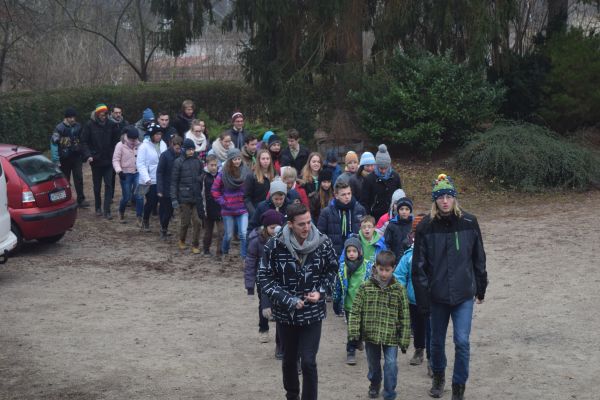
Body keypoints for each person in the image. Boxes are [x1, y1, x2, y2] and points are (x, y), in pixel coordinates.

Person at [412, 174, 488, 400]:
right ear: (435, 200)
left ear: (454, 198)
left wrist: (481, 286)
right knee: (436, 342)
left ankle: (458, 386)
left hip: (464, 293)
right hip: (437, 296)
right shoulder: (425, 226)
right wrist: (423, 300)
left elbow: (479, 257)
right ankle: (438, 376)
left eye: (448, 196)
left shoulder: (469, 222)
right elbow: (419, 267)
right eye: (440, 197)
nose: (445, 201)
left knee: (462, 342)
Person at [258, 203, 339, 400]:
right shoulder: (275, 245)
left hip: (313, 312)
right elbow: (264, 277)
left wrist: (320, 292)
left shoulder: (323, 243)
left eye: (309, 222)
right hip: (286, 313)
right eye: (301, 224)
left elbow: (333, 270)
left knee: (309, 362)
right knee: (289, 360)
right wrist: (287, 299)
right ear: (290, 224)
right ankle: (292, 395)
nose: (307, 227)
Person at [348, 250, 411, 400]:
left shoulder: (399, 290)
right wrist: (354, 332)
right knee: (373, 365)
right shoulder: (365, 287)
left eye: (387, 270)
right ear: (375, 267)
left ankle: (389, 393)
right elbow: (356, 310)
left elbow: (405, 316)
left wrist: (404, 339)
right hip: (371, 333)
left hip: (391, 335)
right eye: (381, 269)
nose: (384, 273)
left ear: (393, 268)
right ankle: (375, 384)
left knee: (391, 365)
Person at [393, 214, 430, 372]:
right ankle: (419, 349)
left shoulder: (435, 253)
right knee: (418, 327)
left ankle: (433, 359)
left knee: (433, 329)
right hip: (414, 300)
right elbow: (399, 275)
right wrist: (402, 291)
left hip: (433, 299)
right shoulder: (409, 256)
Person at [244, 209, 284, 343]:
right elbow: (250, 264)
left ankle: (281, 332)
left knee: (280, 304)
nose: (275, 230)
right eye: (272, 227)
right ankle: (263, 329)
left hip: (279, 278)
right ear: (265, 227)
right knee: (264, 304)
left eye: (277, 227)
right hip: (262, 279)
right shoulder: (256, 241)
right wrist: (250, 287)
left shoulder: (284, 240)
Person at [333, 236, 372, 365]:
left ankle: (359, 339)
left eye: (354, 251)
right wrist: (336, 302)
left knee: (362, 327)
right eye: (348, 251)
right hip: (350, 305)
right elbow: (337, 286)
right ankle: (350, 351)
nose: (351, 254)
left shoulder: (368, 266)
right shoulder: (342, 267)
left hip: (364, 305)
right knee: (352, 329)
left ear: (360, 252)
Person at [81, 103, 120, 219]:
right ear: (97, 114)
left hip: (108, 160)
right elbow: (83, 142)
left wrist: (114, 155)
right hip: (96, 161)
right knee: (97, 186)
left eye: (106, 114)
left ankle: (107, 210)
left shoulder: (112, 125)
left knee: (109, 185)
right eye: (103, 114)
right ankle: (98, 207)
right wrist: (88, 155)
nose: (105, 116)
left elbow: (116, 142)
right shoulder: (89, 125)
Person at [211, 147, 250, 261]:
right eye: (234, 159)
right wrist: (222, 201)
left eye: (239, 158)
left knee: (243, 233)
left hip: (242, 208)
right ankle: (225, 252)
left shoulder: (246, 172)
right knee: (228, 235)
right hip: (228, 209)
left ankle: (244, 256)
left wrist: (247, 199)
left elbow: (250, 187)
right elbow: (214, 190)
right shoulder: (223, 174)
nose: (237, 161)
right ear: (229, 160)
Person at [171, 139, 205, 254]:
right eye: (189, 150)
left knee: (197, 221)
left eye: (192, 149)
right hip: (184, 197)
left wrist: (200, 179)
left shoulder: (198, 161)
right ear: (184, 149)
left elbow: (202, 175)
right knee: (185, 222)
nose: (191, 152)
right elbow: (174, 182)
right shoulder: (178, 162)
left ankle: (195, 244)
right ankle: (182, 240)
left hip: (196, 197)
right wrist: (174, 198)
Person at [50, 107, 89, 208]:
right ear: (66, 118)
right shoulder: (59, 128)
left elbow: (82, 141)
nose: (73, 119)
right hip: (64, 158)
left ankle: (81, 200)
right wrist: (56, 160)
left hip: (76, 157)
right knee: (65, 181)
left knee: (79, 178)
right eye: (70, 117)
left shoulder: (78, 126)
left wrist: (84, 154)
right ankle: (66, 200)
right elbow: (54, 144)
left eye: (74, 117)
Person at [317, 181, 365, 259]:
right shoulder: (326, 212)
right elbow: (320, 235)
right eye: (343, 194)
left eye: (349, 193)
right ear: (336, 195)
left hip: (355, 254)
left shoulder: (360, 210)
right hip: (333, 254)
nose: (347, 197)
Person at [136, 122, 167, 232]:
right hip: (150, 180)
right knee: (151, 202)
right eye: (157, 134)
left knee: (163, 202)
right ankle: (145, 219)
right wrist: (146, 178)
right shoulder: (144, 146)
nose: (159, 136)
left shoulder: (163, 144)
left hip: (161, 179)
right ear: (152, 135)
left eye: (160, 134)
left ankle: (164, 226)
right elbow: (140, 163)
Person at [361, 144, 402, 221]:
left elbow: (399, 197)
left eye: (385, 168)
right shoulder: (369, 179)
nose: (383, 171)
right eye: (380, 168)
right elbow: (364, 202)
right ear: (376, 165)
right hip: (375, 217)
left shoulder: (395, 177)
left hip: (392, 217)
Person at [112, 125, 143, 223]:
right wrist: (119, 171)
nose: (133, 141)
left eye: (135, 139)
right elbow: (115, 160)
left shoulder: (141, 145)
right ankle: (121, 211)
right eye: (131, 139)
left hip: (138, 172)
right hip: (125, 173)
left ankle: (139, 216)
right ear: (127, 137)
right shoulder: (120, 145)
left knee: (139, 195)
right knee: (126, 196)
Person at [156, 136, 183, 238]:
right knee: (166, 210)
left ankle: (164, 228)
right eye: (176, 148)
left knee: (170, 210)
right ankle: (163, 229)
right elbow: (159, 172)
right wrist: (159, 188)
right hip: (165, 186)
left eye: (179, 148)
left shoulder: (181, 155)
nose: (178, 150)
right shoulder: (165, 156)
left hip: (176, 187)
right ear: (172, 145)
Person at [201, 154, 224, 256]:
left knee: (221, 232)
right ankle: (206, 249)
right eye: (211, 165)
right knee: (208, 233)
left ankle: (219, 252)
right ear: (207, 165)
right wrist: (202, 209)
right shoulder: (203, 177)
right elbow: (201, 194)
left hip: (220, 209)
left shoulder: (221, 176)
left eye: (215, 165)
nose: (214, 167)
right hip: (208, 209)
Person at [244, 148, 275, 219]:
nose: (266, 161)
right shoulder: (251, 176)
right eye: (263, 159)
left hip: (271, 211)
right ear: (259, 160)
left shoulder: (275, 174)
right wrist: (254, 213)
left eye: (267, 158)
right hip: (256, 211)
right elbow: (246, 198)